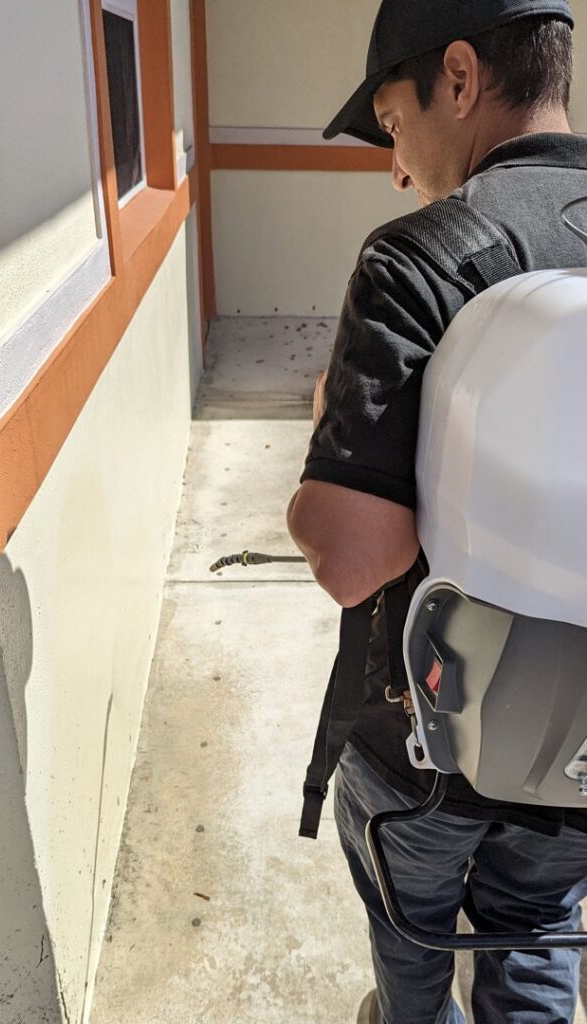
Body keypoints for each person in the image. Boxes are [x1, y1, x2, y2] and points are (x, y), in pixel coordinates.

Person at [286, 2, 587, 1022]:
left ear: (456, 78)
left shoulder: (422, 255)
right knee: (535, 941)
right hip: (584, 750)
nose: (395, 164)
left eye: (390, 120)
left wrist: (328, 411)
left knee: (412, 960)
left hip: (425, 742)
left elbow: (350, 556)